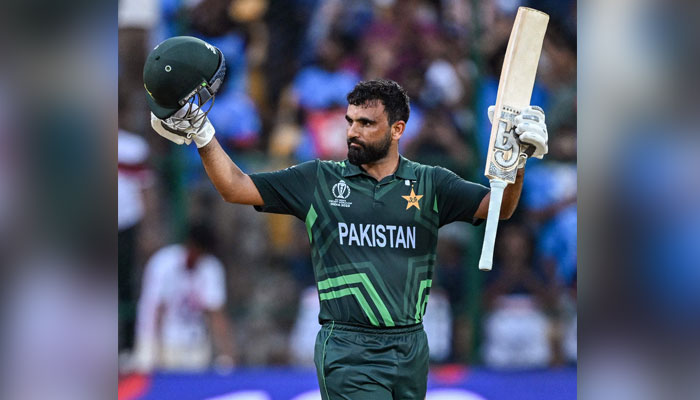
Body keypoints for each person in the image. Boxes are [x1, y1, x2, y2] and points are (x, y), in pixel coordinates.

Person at [143, 36, 548, 399]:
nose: (352, 132)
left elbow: (500, 207)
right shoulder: (318, 178)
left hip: (410, 345)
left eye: (367, 124)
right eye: (350, 121)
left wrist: (518, 161)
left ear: (397, 129)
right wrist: (203, 135)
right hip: (348, 347)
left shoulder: (430, 183)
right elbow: (235, 186)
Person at [132, 222, 236, 372]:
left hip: (194, 344)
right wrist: (152, 351)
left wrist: (227, 353)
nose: (199, 258)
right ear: (190, 244)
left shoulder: (210, 268)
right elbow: (156, 309)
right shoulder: (164, 263)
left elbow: (216, 314)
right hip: (161, 340)